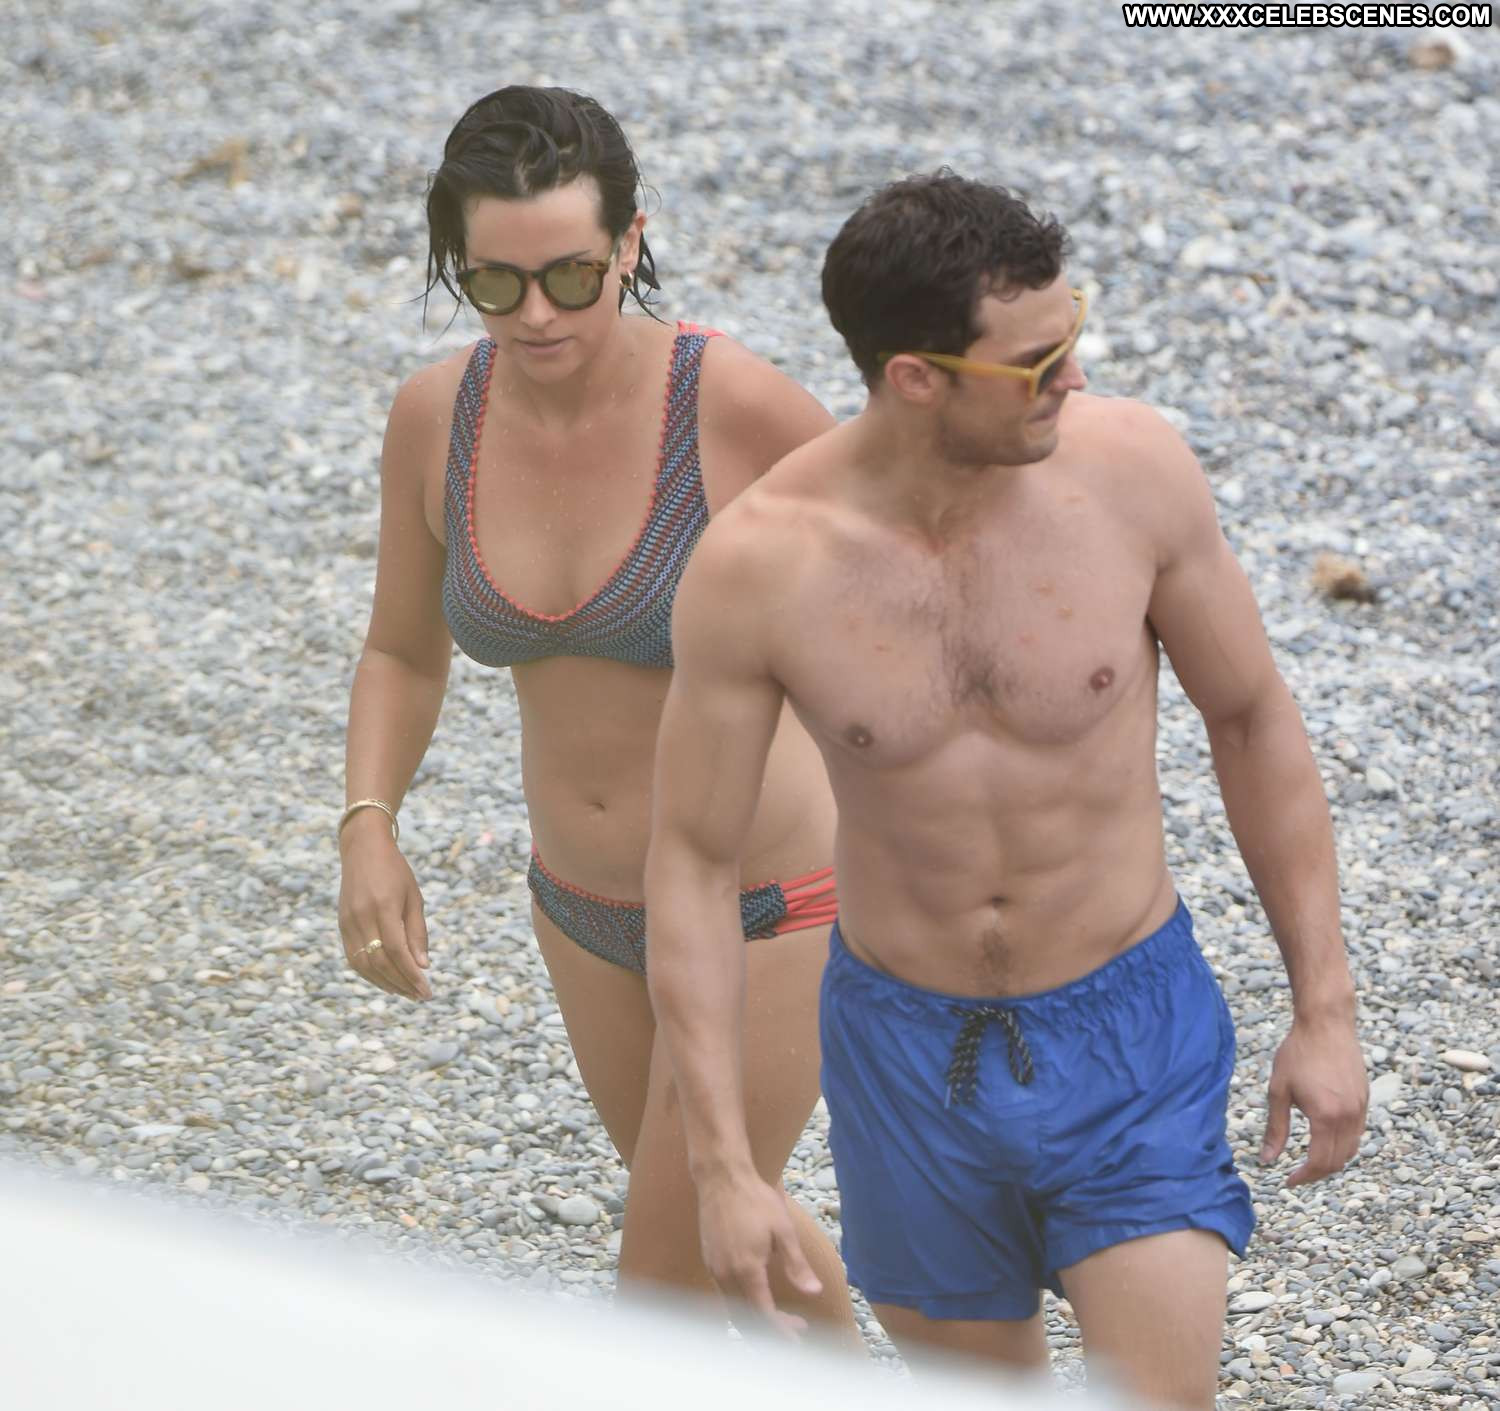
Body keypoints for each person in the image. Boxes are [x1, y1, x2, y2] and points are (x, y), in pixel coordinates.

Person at [644, 171, 1369, 1406]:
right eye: (1034, 364)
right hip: (905, 1052)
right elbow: (695, 860)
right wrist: (724, 1168)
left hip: (1128, 1027)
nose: (1072, 378)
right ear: (915, 377)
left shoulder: (1131, 476)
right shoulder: (761, 566)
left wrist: (1326, 1008)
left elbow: (1251, 718)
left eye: (1070, 336)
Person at [335, 84, 855, 1336]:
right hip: (579, 912)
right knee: (734, 1247)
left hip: (765, 904)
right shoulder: (435, 419)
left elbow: (904, 621)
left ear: (630, 242)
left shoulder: (734, 408)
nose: (536, 314)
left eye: (571, 275)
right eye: (493, 282)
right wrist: (368, 822)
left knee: (658, 1291)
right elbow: (401, 649)